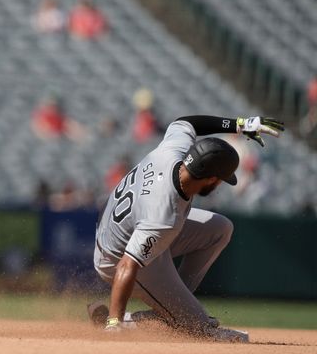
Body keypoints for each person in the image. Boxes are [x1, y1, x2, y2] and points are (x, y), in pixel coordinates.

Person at [87, 114, 284, 342]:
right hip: (116, 256)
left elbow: (186, 123)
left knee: (219, 228)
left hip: (132, 227)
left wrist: (239, 125)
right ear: (211, 179)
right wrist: (114, 323)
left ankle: (173, 307)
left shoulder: (174, 151)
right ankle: (121, 319)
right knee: (198, 328)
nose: (221, 184)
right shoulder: (164, 215)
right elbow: (127, 264)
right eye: (222, 179)